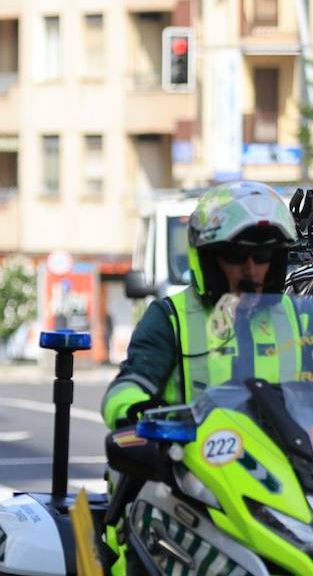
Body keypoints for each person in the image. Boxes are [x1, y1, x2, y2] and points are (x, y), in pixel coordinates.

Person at [102, 181, 298, 428]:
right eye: (236, 256)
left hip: (286, 451)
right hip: (191, 450)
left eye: (262, 256)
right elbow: (127, 388)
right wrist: (137, 414)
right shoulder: (170, 318)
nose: (250, 269)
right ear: (210, 260)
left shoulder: (299, 317)